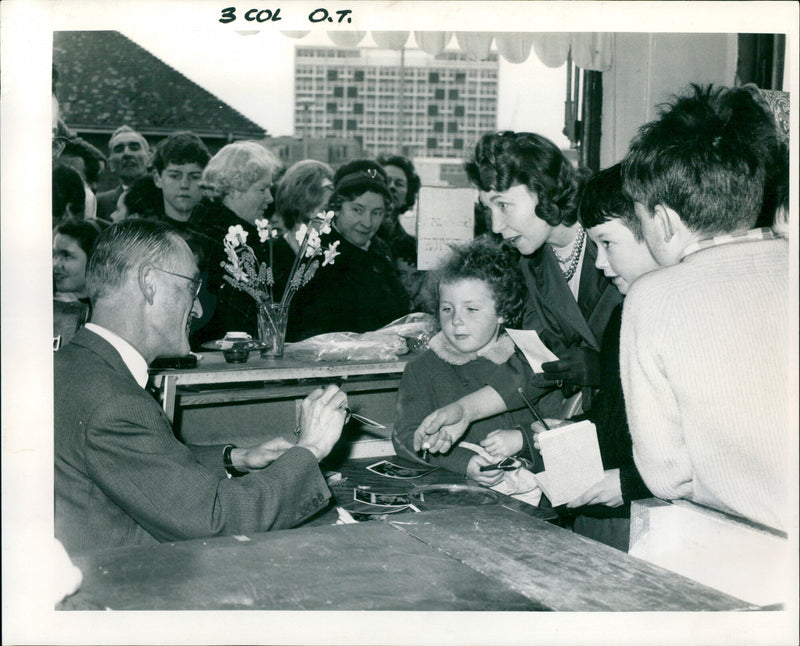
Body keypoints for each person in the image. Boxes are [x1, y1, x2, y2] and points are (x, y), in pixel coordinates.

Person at [55, 219, 347, 555]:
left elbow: (141, 464)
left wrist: (235, 458)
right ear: (148, 282)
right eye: (191, 288)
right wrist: (311, 448)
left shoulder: (74, 365)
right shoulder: (114, 404)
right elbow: (218, 520)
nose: (197, 308)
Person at [619, 84, 790, 532]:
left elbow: (666, 474)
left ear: (665, 221)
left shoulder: (653, 296)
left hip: (749, 544)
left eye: (640, 218)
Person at [412, 131, 621, 456]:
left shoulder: (615, 240)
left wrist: (605, 369)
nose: (495, 225)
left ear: (545, 191)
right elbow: (534, 365)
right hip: (583, 431)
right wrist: (465, 411)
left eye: (504, 205)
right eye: (487, 208)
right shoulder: (530, 263)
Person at [527, 164, 657, 551]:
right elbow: (616, 418)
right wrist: (571, 434)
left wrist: (630, 482)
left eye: (608, 244)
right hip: (615, 507)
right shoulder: (626, 312)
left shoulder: (663, 313)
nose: (599, 263)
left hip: (646, 512)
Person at [392, 236, 539, 484]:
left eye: (471, 309)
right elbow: (406, 437)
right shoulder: (422, 368)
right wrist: (463, 462)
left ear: (503, 311)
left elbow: (555, 431)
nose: (457, 320)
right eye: (447, 308)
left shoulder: (527, 363)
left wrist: (521, 440)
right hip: (457, 495)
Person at [286, 159, 412, 341]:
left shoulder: (381, 251)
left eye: (376, 213)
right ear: (336, 208)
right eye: (358, 210)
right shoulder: (315, 252)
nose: (367, 223)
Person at [187, 141, 282, 344]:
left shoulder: (239, 238)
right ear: (234, 189)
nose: (270, 198)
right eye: (262, 189)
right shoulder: (210, 245)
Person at [269, 160, 335, 298]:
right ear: (299, 203)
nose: (329, 216)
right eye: (323, 209)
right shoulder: (271, 256)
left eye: (330, 209)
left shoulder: (332, 255)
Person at [53, 218, 105, 347]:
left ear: (93, 259)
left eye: (67, 256)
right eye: (54, 255)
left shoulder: (107, 314)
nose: (55, 264)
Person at [96, 125, 150, 221]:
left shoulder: (166, 198)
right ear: (111, 164)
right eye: (119, 150)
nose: (127, 154)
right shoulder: (99, 204)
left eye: (134, 148)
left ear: (149, 158)